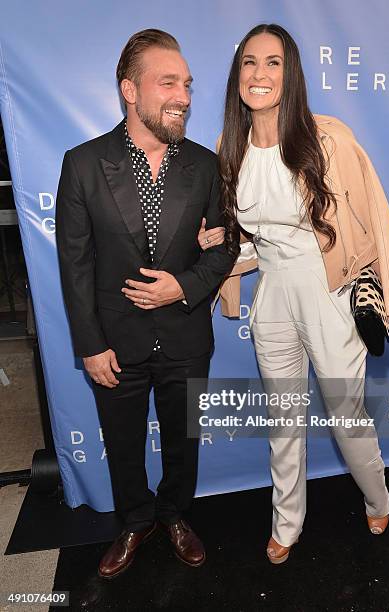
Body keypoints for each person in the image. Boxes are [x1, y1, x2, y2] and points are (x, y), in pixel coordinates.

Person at [200, 23, 389, 565]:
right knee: (284, 419)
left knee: (347, 414)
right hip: (271, 292)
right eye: (249, 62)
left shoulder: (328, 137)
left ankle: (377, 494)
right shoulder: (231, 146)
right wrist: (224, 240)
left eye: (273, 62)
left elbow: (373, 221)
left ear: (290, 73)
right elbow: (252, 234)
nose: (259, 73)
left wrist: (382, 294)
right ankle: (287, 521)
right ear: (237, 75)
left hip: (328, 293)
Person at [56, 28, 233, 578]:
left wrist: (185, 285)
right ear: (129, 90)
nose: (182, 95)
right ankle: (135, 521)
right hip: (116, 341)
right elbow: (76, 265)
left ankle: (176, 514)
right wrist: (90, 345)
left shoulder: (204, 167)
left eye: (187, 83)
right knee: (125, 446)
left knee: (184, 444)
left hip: (184, 337)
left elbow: (225, 247)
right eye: (168, 82)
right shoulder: (83, 165)